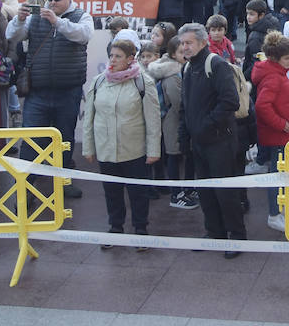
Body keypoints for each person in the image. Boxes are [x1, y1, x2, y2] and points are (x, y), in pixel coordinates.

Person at [6, 0, 94, 198]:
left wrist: (57, 22)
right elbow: (12, 35)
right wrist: (19, 19)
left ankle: (63, 182)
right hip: (38, 91)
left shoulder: (82, 16)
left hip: (68, 90)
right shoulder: (36, 18)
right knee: (31, 139)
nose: (52, 2)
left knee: (64, 140)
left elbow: (83, 35)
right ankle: (26, 186)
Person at [81, 37, 160, 250]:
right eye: (111, 56)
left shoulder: (143, 81)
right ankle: (115, 228)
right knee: (111, 192)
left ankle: (140, 229)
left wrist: (153, 150)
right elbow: (89, 117)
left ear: (130, 59)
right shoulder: (98, 81)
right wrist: (88, 147)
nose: (112, 61)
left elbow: (153, 119)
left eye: (118, 56)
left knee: (138, 193)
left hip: (134, 149)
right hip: (106, 149)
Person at [177, 22, 247, 256]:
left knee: (225, 192)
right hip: (199, 142)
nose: (184, 47)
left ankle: (237, 237)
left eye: (189, 43)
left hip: (220, 141)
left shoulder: (216, 65)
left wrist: (205, 126)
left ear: (202, 42)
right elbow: (184, 106)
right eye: (182, 43)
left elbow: (230, 101)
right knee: (205, 191)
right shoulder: (187, 68)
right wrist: (184, 135)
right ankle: (214, 232)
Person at [252, 32, 289, 231]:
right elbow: (262, 106)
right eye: (287, 58)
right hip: (279, 135)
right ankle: (274, 213)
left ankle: (280, 209)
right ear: (276, 58)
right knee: (278, 176)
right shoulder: (274, 77)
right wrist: (281, 124)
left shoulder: (273, 72)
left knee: (280, 174)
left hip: (279, 134)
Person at [148, 28, 193, 210]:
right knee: (174, 157)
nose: (186, 54)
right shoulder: (173, 76)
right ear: (173, 54)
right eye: (181, 51)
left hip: (176, 122)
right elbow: (179, 103)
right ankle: (177, 194)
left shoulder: (177, 70)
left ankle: (184, 191)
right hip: (174, 123)